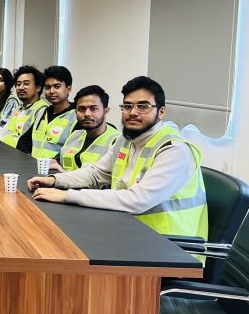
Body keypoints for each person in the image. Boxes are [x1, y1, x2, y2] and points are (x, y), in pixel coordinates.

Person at [28, 76, 208, 240]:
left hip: (169, 245)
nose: (133, 112)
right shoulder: (126, 139)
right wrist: (55, 180)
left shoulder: (174, 150)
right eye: (127, 106)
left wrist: (68, 196)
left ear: (161, 112)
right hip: (127, 229)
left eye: (143, 106)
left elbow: (138, 200)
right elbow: (96, 173)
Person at [52, 85, 121, 173]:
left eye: (93, 109)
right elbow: (58, 161)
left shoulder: (117, 141)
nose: (87, 114)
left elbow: (108, 179)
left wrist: (64, 174)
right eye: (81, 109)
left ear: (106, 111)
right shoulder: (75, 135)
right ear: (75, 112)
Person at [30, 65, 78, 161]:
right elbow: (25, 141)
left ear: (68, 89)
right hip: (33, 166)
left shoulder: (76, 116)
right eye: (47, 87)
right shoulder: (42, 112)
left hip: (56, 169)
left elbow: (73, 151)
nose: (51, 91)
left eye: (57, 86)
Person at [0, 65, 48, 153]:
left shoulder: (43, 110)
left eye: (26, 83)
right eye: (18, 84)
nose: (21, 87)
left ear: (38, 87)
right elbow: (3, 131)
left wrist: (5, 140)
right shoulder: (19, 109)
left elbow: (28, 144)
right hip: (7, 152)